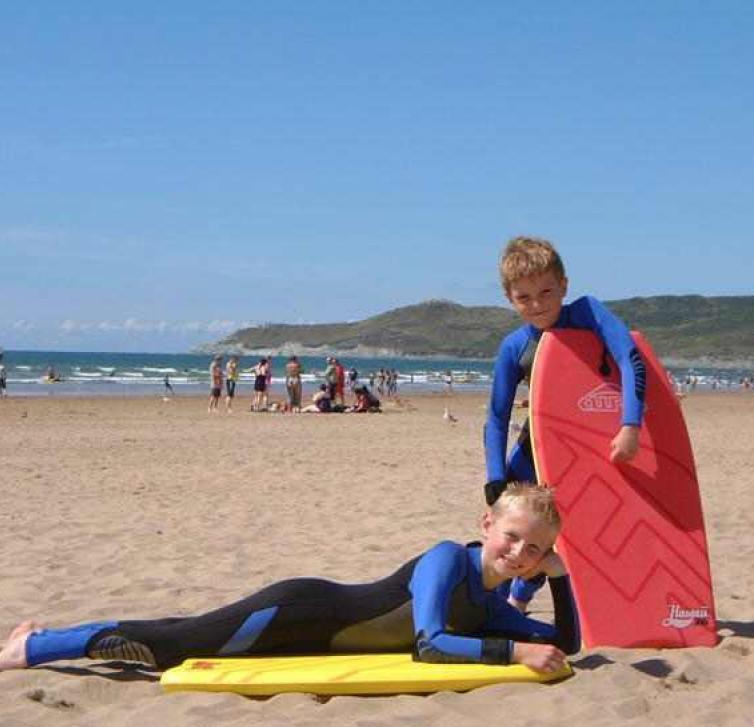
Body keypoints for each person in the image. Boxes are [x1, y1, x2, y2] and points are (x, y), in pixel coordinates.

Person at [0, 484, 579, 674]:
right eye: (512, 537)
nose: (519, 553)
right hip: (298, 610)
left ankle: (39, 635)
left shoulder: (495, 605)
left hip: (309, 644)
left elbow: (568, 645)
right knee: (171, 645)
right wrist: (514, 655)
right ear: (487, 524)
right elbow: (430, 645)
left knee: (183, 634)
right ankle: (31, 647)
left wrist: (561, 578)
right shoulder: (447, 559)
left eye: (535, 550)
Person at [485, 237, 646, 608]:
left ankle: (528, 601)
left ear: (564, 286)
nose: (538, 305)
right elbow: (497, 415)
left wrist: (631, 425)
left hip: (602, 444)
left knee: (586, 530)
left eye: (546, 292)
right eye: (524, 298)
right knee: (523, 532)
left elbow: (630, 359)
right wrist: (495, 475)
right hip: (538, 449)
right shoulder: (515, 346)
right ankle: (514, 604)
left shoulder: (589, 314)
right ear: (510, 298)